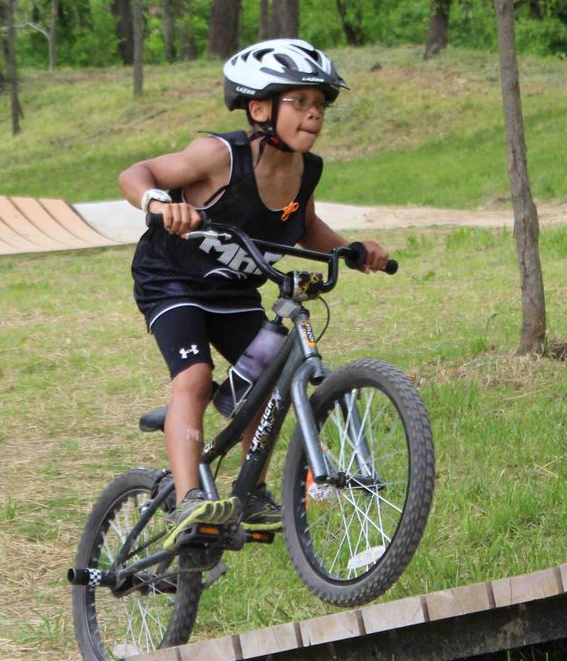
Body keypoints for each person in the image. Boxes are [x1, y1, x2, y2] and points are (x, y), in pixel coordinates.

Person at [118, 38, 390, 547]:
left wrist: (351, 249)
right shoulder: (219, 155)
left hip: (236, 291)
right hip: (172, 280)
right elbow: (136, 174)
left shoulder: (306, 170)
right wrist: (158, 203)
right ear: (260, 107)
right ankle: (188, 501)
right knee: (196, 379)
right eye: (299, 102)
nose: (313, 115)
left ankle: (253, 490)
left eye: (319, 105)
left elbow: (303, 223)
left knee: (267, 379)